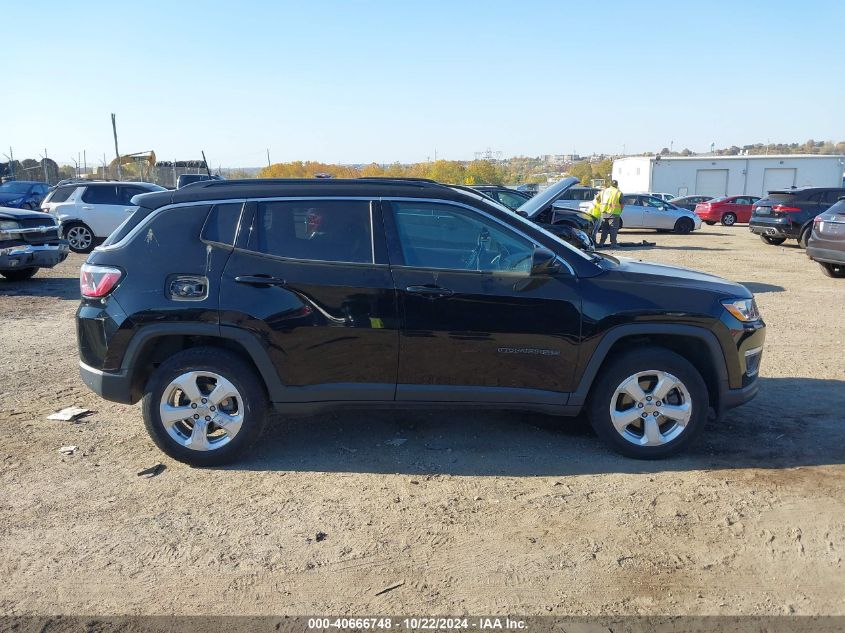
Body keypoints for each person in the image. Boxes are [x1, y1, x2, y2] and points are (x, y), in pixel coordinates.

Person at [598, 180, 623, 247]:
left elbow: (598, 199)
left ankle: (601, 243)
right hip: (614, 213)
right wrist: (620, 211)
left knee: (604, 229)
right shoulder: (618, 192)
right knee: (613, 229)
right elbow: (622, 204)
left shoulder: (604, 191)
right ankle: (613, 244)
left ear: (610, 184)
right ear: (617, 185)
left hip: (604, 212)